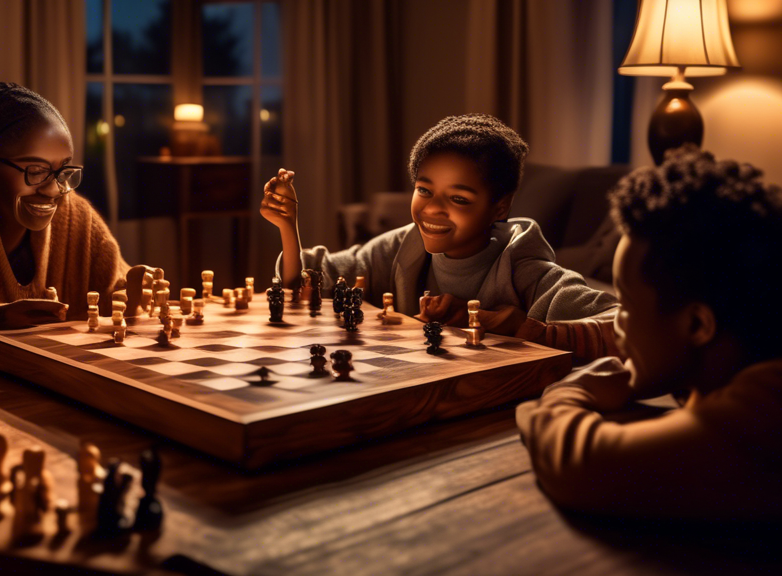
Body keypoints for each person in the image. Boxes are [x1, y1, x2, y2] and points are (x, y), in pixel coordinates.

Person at [516, 145, 782, 518]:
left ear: (697, 325)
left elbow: (584, 467)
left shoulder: (766, 411)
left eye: (624, 305)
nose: (617, 323)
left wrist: (568, 393)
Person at [261, 114, 619, 360]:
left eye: (459, 199)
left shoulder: (523, 268)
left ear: (499, 207)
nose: (433, 210)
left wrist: (527, 330)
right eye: (424, 190)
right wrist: (288, 229)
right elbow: (309, 282)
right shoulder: (402, 246)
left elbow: (624, 327)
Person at [0, 83, 147, 352]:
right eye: (36, 170)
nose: (54, 189)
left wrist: (131, 292)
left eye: (63, 170)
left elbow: (112, 284)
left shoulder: (76, 214)